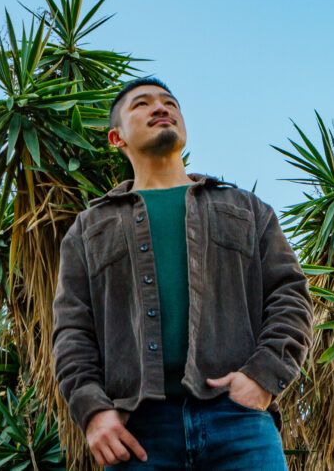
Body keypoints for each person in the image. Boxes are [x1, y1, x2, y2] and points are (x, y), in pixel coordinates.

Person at [52, 78, 313, 470]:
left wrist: (262, 378)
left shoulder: (245, 208)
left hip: (239, 423)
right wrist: (91, 410)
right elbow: (72, 329)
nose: (161, 108)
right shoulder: (89, 229)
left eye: (169, 102)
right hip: (136, 433)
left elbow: (290, 294)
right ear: (116, 137)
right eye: (141, 104)